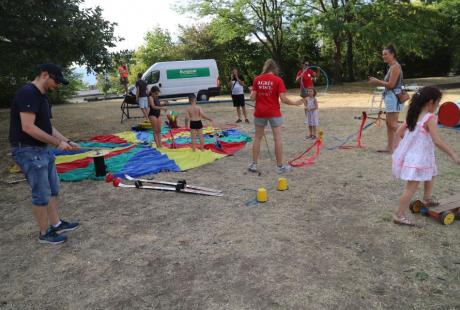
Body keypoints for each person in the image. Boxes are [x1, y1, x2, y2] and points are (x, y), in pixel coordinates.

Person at [9, 64, 80, 244]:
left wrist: (67, 141)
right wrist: (57, 143)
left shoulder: (43, 98)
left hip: (43, 150)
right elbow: (28, 127)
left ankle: (56, 224)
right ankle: (44, 233)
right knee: (41, 193)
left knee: (53, 189)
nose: (57, 85)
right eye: (56, 81)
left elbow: (48, 127)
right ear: (45, 75)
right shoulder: (28, 93)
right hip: (27, 150)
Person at [391, 86, 460, 226]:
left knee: (431, 173)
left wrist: (411, 142)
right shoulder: (430, 118)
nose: (438, 106)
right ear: (430, 102)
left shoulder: (414, 115)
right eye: (438, 103)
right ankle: (398, 215)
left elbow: (399, 131)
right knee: (411, 187)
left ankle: (427, 199)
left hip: (420, 156)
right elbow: (437, 141)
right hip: (420, 158)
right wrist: (453, 154)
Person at [248, 59, 304, 174]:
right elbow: (283, 99)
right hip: (273, 112)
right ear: (275, 69)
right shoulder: (278, 80)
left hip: (260, 112)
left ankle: (254, 164)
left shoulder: (257, 79)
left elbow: (252, 98)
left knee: (257, 138)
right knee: (277, 138)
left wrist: (252, 91)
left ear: (265, 67)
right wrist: (295, 103)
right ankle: (279, 167)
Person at [368, 44, 404, 153]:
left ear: (392, 54)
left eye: (385, 54)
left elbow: (391, 85)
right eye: (382, 54)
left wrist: (376, 81)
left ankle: (411, 139)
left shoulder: (395, 67)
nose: (383, 56)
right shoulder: (392, 67)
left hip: (394, 98)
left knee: (392, 124)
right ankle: (391, 147)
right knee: (389, 123)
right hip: (391, 97)